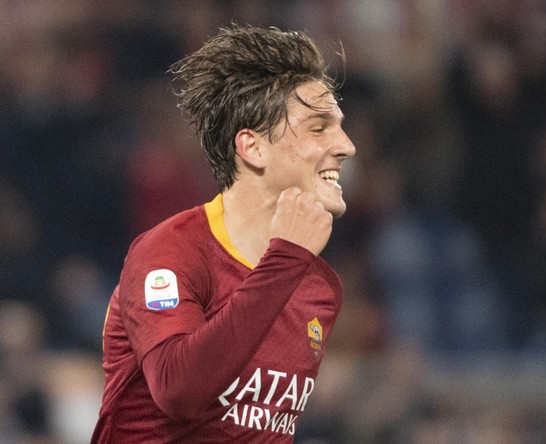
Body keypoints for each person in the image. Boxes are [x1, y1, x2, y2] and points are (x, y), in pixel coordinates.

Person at [91, 24, 356, 443]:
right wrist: (284, 259)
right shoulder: (171, 250)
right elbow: (178, 391)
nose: (346, 145)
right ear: (252, 147)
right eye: (319, 127)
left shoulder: (320, 288)